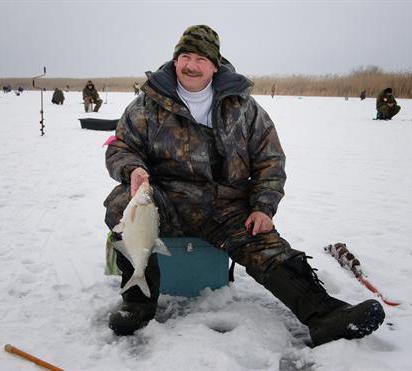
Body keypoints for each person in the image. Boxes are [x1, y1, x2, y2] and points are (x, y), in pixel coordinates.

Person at [103, 25, 385, 347]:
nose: (190, 65)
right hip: (165, 201)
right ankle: (137, 304)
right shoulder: (146, 105)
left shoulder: (244, 108)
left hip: (226, 207)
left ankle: (325, 314)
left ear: (215, 64)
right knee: (120, 205)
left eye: (199, 58)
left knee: (266, 245)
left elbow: (270, 161)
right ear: (175, 60)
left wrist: (263, 206)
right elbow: (120, 147)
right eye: (184, 57)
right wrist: (133, 168)